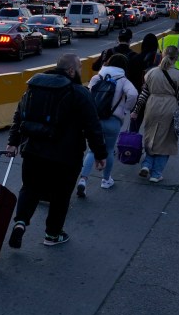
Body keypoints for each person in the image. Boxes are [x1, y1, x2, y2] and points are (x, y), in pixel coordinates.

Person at [6, 54, 107, 248]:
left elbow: (19, 115)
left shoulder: (35, 86)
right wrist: (100, 153)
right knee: (61, 195)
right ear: (70, 70)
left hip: (33, 150)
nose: (80, 71)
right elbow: (92, 126)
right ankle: (52, 234)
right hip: (66, 156)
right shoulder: (79, 92)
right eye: (78, 68)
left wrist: (13, 142)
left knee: (30, 188)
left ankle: (20, 222)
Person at [130, 46, 179, 183]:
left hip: (152, 106)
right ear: (176, 57)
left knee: (151, 137)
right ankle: (156, 174)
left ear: (162, 55)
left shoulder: (151, 73)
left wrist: (136, 111)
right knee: (166, 142)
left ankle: (146, 165)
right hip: (169, 108)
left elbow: (143, 94)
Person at [76, 54, 138, 197]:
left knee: (92, 151)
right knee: (109, 150)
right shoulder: (123, 80)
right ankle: (106, 180)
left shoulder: (96, 78)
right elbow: (133, 94)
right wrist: (125, 109)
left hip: (95, 120)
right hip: (113, 121)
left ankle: (83, 180)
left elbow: (88, 96)